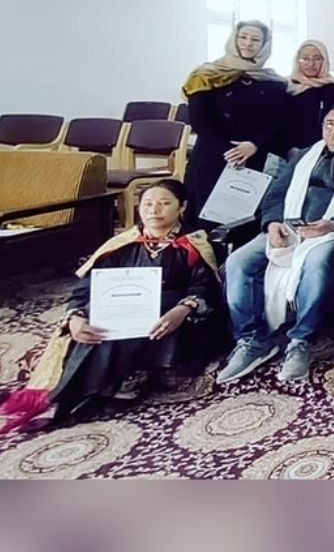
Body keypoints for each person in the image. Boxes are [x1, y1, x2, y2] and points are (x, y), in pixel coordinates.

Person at [0, 180, 223, 431]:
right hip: (125, 317)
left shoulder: (193, 244)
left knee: (158, 304)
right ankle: (76, 395)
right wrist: (76, 317)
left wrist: (183, 309)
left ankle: (80, 397)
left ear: (182, 207)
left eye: (164, 203)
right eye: (148, 204)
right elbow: (88, 288)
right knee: (96, 322)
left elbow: (205, 289)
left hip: (175, 323)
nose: (154, 210)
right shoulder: (123, 244)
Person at [216, 105, 334, 384]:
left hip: (329, 232)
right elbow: (276, 195)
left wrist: (333, 223)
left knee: (316, 263)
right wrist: (272, 223)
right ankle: (252, 339)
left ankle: (301, 340)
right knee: (238, 261)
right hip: (287, 227)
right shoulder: (303, 157)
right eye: (329, 123)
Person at [182, 20, 288, 229]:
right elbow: (200, 120)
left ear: (264, 45)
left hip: (253, 155)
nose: (248, 43)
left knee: (243, 218)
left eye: (256, 39)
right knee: (205, 216)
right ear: (234, 39)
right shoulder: (206, 75)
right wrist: (229, 151)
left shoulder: (273, 81)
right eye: (243, 37)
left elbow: (277, 120)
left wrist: (254, 144)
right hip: (213, 153)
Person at [279, 40, 334, 157]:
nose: (311, 64)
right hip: (291, 151)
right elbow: (278, 122)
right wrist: (289, 149)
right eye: (305, 59)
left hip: (327, 151)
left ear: (324, 61)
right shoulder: (285, 86)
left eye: (317, 59)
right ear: (297, 61)